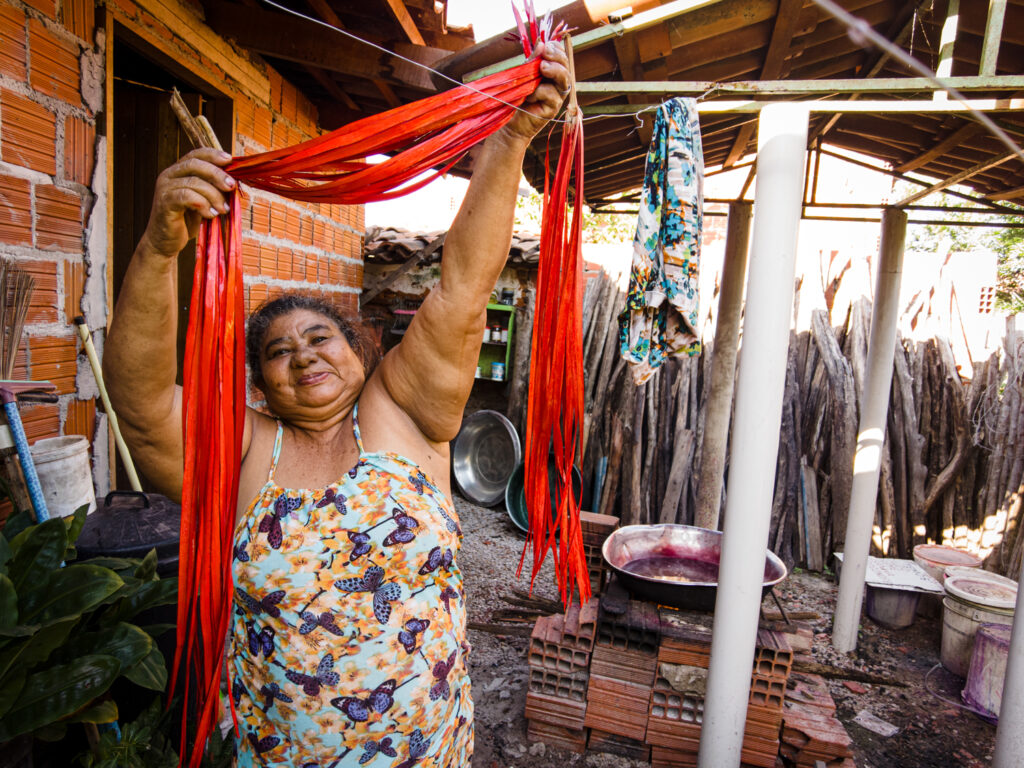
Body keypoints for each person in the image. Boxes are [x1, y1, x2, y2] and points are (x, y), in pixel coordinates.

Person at [104, 43, 570, 768]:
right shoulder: (247, 451)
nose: (305, 355)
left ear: (361, 352)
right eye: (279, 352)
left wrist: (510, 138)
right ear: (261, 386)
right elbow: (136, 404)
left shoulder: (402, 412)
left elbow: (462, 287)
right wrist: (162, 248)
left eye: (321, 338)